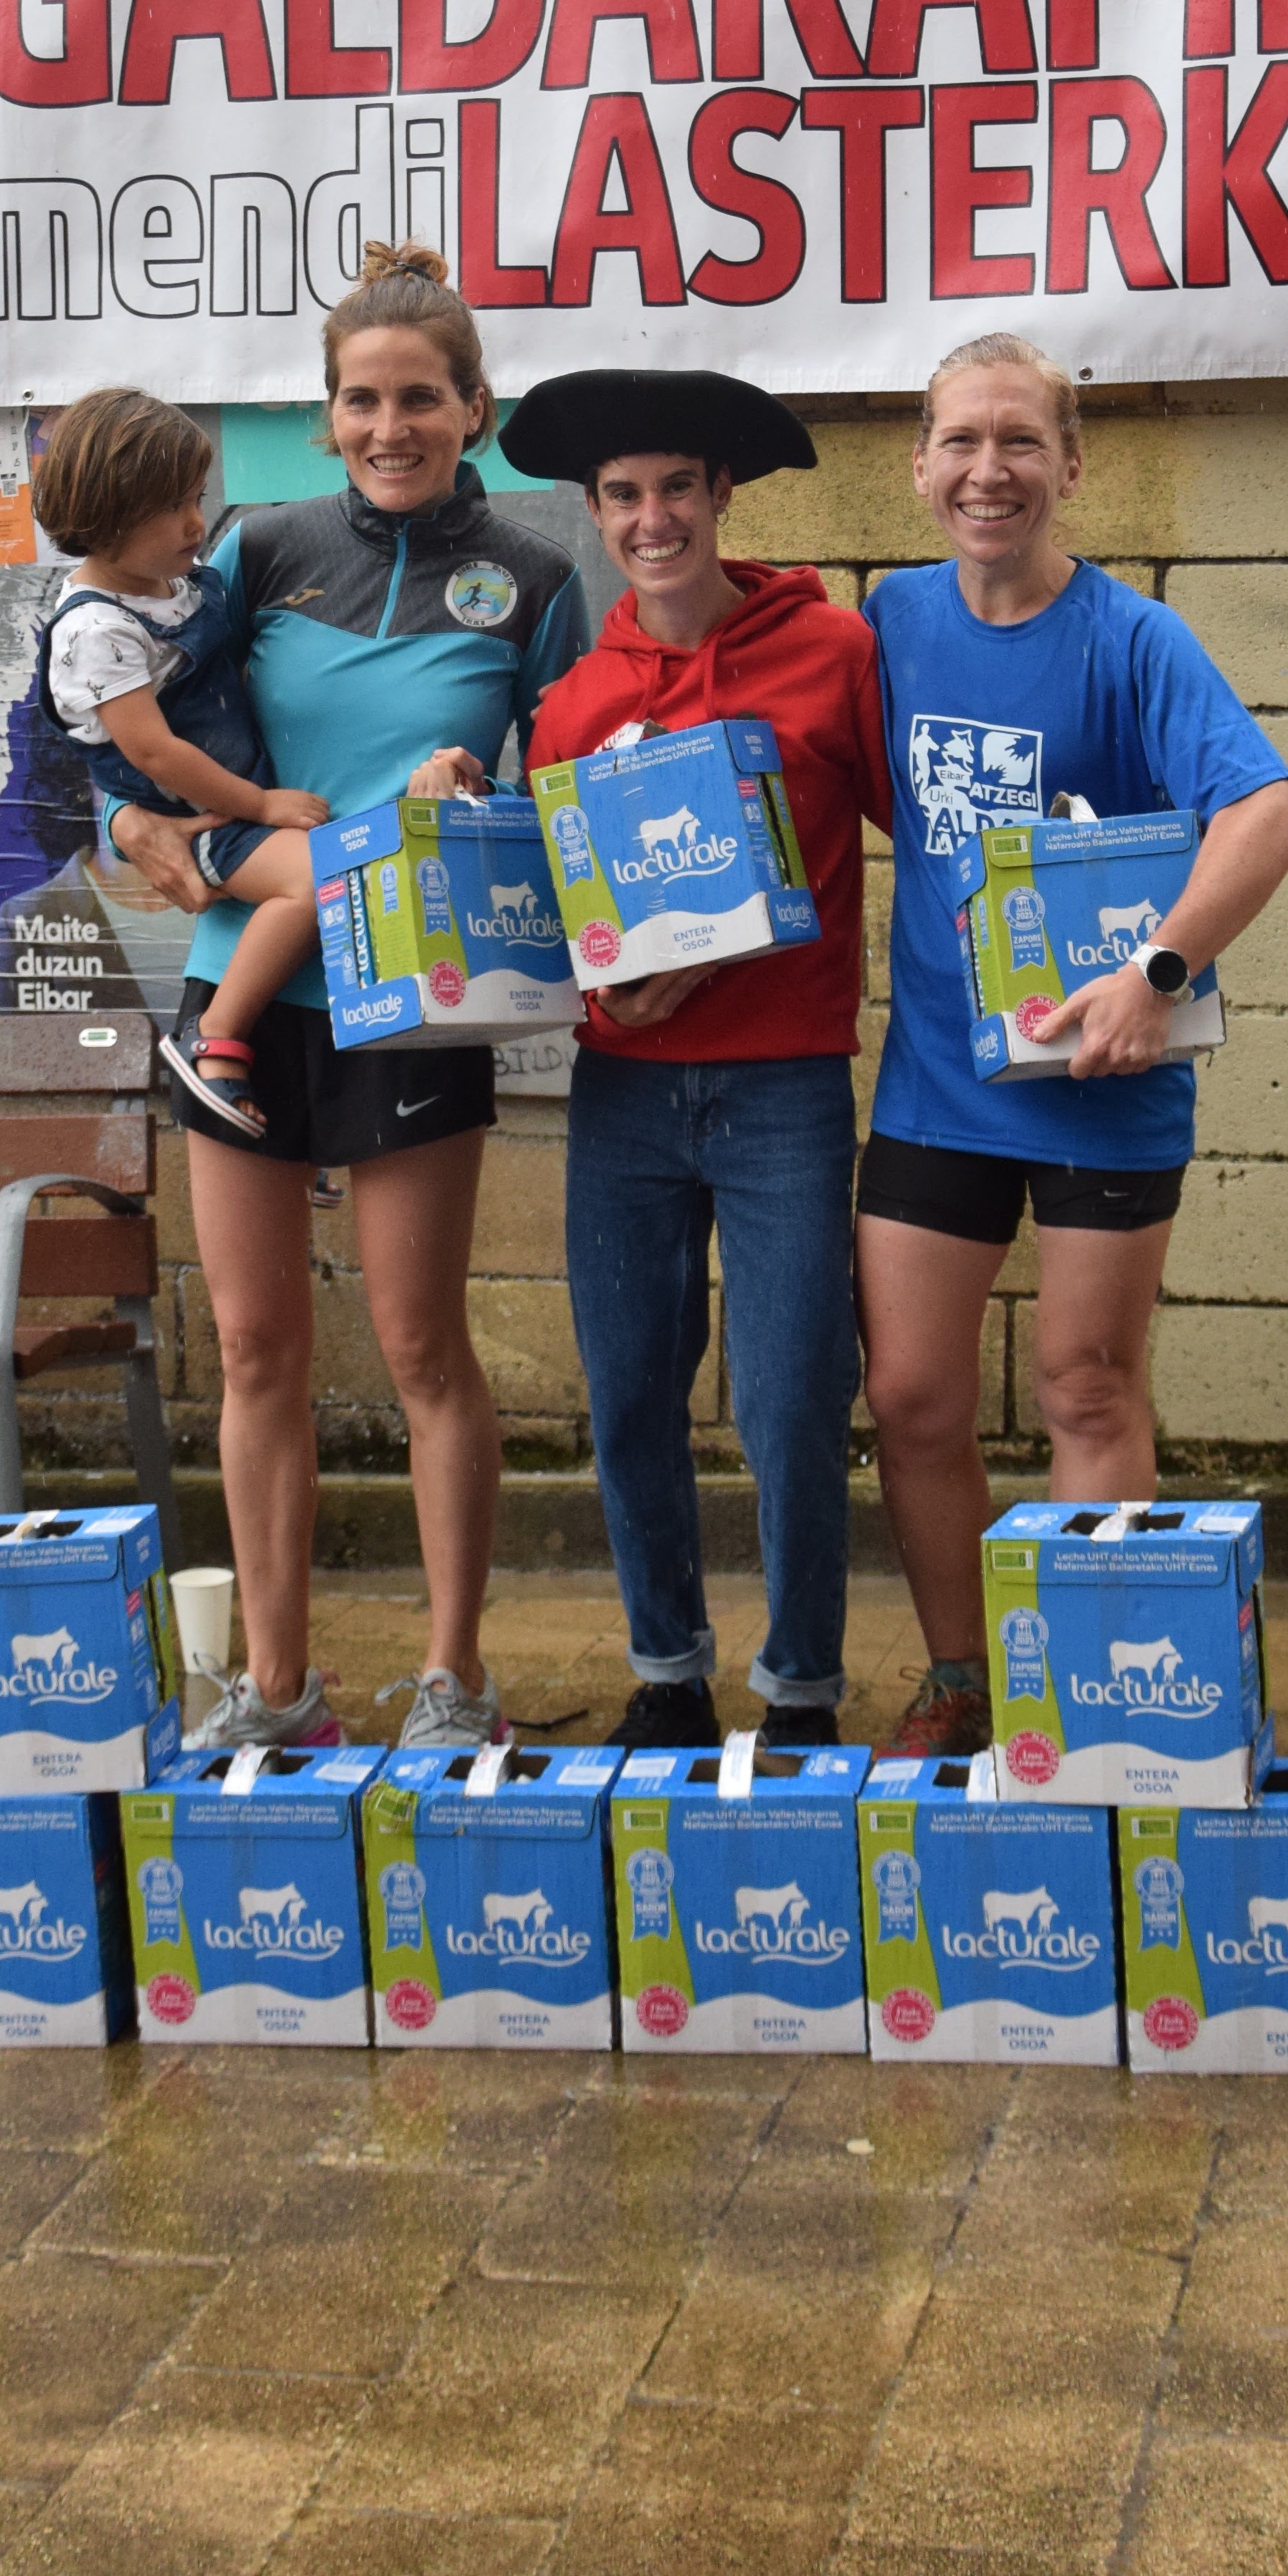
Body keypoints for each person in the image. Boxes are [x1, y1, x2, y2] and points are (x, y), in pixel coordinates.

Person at [107, 244, 584, 1758]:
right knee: (255, 1352)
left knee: (423, 1352)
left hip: (415, 997)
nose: (391, 428)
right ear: (326, 416)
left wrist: (478, 797)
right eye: (362, 401)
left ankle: (454, 1680)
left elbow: (571, 807)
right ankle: (279, 1687)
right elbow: (136, 733)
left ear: (474, 409)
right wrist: (125, 824)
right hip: (238, 997)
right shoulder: (256, 549)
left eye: (421, 400)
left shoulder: (539, 580)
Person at [858, 333, 1288, 1760]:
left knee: (1085, 1386)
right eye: (959, 441)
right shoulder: (887, 622)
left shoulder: (1134, 639)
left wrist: (1153, 973)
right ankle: (962, 1677)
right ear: (919, 466)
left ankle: (1097, 1699)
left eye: (1018, 441)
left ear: (1069, 464)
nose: (986, 471)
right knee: (911, 1398)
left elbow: (1270, 816)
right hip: (939, 1085)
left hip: (1105, 1090)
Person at [504, 366, 893, 1753]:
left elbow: (922, 828)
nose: (651, 518)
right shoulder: (571, 705)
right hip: (623, 1096)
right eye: (622, 495)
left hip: (784, 1086)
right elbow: (557, 913)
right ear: (592, 508)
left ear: (722, 494)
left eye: (676, 487)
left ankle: (800, 1688)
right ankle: (666, 1666)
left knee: (792, 1401)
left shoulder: (833, 654)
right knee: (627, 1396)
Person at [31, 388, 335, 1138]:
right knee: (315, 881)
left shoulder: (178, 586)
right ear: (105, 515)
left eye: (195, 498)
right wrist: (259, 806)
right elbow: (153, 751)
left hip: (233, 800)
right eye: (170, 509)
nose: (196, 524)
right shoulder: (96, 630)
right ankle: (214, 1038)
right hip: (201, 821)